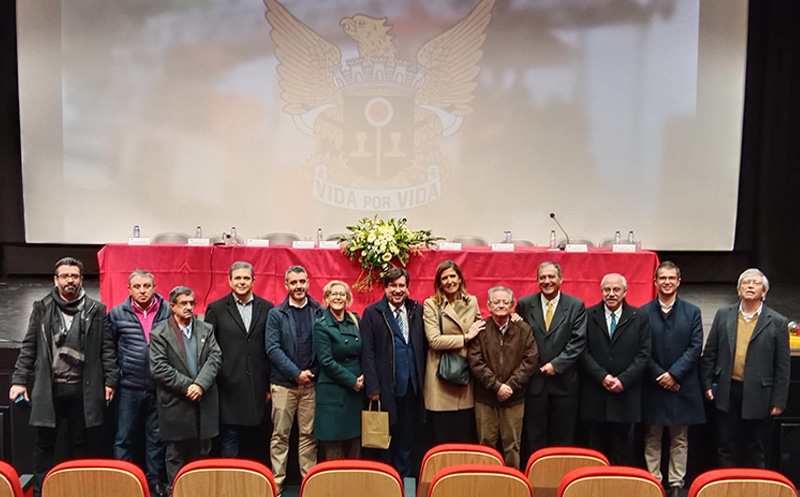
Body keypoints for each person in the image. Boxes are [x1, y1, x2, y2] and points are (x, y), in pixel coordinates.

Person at [9, 257, 118, 497]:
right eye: (65, 276)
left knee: (80, 443)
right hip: (50, 389)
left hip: (83, 389)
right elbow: (29, 346)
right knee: (44, 444)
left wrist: (110, 381)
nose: (70, 280)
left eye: (75, 276)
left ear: (81, 279)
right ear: (56, 279)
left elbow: (106, 348)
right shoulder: (41, 307)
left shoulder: (95, 309)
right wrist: (18, 380)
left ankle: (77, 490)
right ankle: (40, 491)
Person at [701, 268, 790, 468]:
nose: (750, 286)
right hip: (727, 390)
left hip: (760, 394)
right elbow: (710, 352)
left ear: (764, 292)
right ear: (738, 290)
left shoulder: (777, 322)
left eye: (755, 283)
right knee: (726, 446)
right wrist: (707, 383)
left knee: (756, 447)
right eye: (745, 283)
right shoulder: (724, 315)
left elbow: (782, 366)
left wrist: (779, 399)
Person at [641, 261, 704, 497]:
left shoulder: (692, 312)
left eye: (671, 278)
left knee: (680, 439)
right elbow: (641, 349)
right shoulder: (643, 312)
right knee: (652, 436)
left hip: (682, 385)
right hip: (653, 385)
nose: (667, 282)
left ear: (678, 281)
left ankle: (677, 484)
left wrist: (674, 374)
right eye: (662, 278)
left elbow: (695, 347)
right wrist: (660, 375)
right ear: (655, 282)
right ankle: (653, 481)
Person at [107, 269, 172, 497]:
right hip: (128, 386)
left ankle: (154, 482)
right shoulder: (117, 314)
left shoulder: (167, 311)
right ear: (129, 290)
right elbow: (109, 349)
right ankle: (122, 481)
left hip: (159, 386)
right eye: (137, 287)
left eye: (147, 286)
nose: (142, 290)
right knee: (123, 437)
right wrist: (111, 380)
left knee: (156, 438)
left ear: (155, 287)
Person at [149, 286, 221, 487]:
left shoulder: (206, 329)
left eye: (192, 303)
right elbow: (159, 368)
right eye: (184, 303)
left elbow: (215, 358)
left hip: (203, 402)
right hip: (176, 403)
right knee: (175, 455)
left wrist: (200, 384)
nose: (189, 307)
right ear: (172, 306)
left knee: (202, 453)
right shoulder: (159, 334)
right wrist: (189, 386)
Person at [204, 261, 274, 459]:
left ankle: (252, 485)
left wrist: (268, 383)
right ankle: (230, 486)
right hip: (228, 385)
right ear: (230, 281)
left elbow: (269, 347)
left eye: (246, 278)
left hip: (257, 387)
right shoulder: (216, 309)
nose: (242, 282)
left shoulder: (267, 308)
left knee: (254, 439)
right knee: (229, 437)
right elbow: (209, 349)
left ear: (253, 281)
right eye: (238, 278)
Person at [516, 261, 586, 459]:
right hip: (534, 382)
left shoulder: (575, 306)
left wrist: (557, 364)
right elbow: (519, 339)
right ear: (537, 280)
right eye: (542, 277)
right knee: (534, 438)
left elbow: (578, 342)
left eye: (551, 277)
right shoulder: (524, 304)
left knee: (563, 439)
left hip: (564, 383)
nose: (547, 281)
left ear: (561, 279)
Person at [361, 267, 426, 478]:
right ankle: (385, 483)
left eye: (401, 286)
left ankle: (405, 485)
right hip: (384, 388)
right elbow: (367, 352)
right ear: (385, 287)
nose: (397, 290)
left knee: (407, 440)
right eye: (393, 286)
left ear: (407, 288)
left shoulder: (417, 310)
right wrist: (372, 386)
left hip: (411, 387)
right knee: (384, 441)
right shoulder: (372, 313)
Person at [580, 273, 651, 465]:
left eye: (616, 289)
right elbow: (582, 351)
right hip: (596, 394)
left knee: (622, 451)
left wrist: (623, 380)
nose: (611, 294)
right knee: (596, 451)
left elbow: (644, 353)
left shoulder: (639, 317)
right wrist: (602, 377)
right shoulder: (587, 315)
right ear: (601, 291)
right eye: (607, 290)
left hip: (625, 395)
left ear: (625, 292)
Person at [266, 265, 323, 494]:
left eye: (302, 282)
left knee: (308, 436)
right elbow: (272, 348)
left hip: (311, 384)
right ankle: (277, 483)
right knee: (280, 436)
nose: (299, 286)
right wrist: (295, 373)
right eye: (294, 283)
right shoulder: (276, 314)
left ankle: (308, 483)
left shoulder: (319, 311)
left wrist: (311, 373)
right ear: (286, 285)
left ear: (308, 283)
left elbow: (323, 347)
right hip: (283, 385)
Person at [468, 286, 538, 469]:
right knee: (485, 445)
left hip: (514, 398)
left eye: (505, 302)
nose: (501, 305)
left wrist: (510, 386)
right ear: (489, 305)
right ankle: (487, 484)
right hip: (485, 398)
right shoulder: (481, 329)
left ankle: (512, 486)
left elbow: (530, 360)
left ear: (512, 305)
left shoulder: (523, 330)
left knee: (512, 445)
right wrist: (496, 386)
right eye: (496, 302)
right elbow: (475, 361)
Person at [423, 260, 483, 445]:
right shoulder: (431, 304)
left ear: (459, 278)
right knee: (442, 438)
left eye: (452, 276)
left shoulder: (471, 301)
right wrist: (465, 338)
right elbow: (434, 341)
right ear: (439, 283)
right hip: (440, 373)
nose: (449, 281)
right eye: (444, 278)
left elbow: (481, 329)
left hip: (464, 374)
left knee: (463, 436)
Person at [313, 280, 364, 459]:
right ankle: (335, 487)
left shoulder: (355, 320)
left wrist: (364, 377)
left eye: (342, 294)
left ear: (348, 298)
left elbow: (364, 351)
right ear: (326, 298)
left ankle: (354, 487)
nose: (338, 297)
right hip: (333, 394)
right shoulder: (321, 325)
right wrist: (352, 381)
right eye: (333, 294)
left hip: (355, 394)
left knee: (355, 446)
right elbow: (326, 361)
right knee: (333, 449)